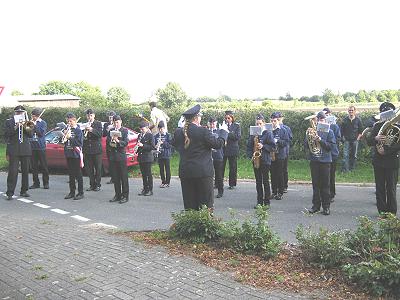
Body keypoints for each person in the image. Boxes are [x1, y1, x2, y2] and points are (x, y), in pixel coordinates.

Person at [172, 104, 228, 210]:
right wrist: (224, 132)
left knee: (190, 206)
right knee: (206, 207)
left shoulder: (178, 132)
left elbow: (176, 144)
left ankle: (191, 226)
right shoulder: (203, 131)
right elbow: (218, 144)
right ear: (197, 118)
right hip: (203, 173)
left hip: (186, 172)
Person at [366, 102, 399, 216]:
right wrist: (375, 138)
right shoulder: (377, 126)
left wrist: (387, 150)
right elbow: (369, 141)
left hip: (392, 161)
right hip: (379, 161)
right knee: (380, 188)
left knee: (391, 188)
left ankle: (392, 213)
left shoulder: (398, 126)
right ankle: (382, 212)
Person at [306, 111, 336, 216]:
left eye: (321, 120)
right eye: (318, 120)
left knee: (325, 185)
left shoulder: (330, 132)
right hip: (314, 161)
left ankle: (326, 207)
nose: (319, 121)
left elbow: (330, 147)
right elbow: (307, 146)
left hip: (325, 161)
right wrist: (310, 138)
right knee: (315, 185)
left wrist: (320, 140)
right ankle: (315, 206)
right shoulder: (312, 131)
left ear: (325, 120)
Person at [246, 114, 276, 207]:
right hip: (256, 160)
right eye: (257, 123)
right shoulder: (253, 133)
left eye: (260, 123)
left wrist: (263, 146)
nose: (258, 125)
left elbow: (273, 147)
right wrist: (251, 155)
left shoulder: (268, 133)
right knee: (258, 181)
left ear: (263, 123)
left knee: (265, 181)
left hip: (265, 160)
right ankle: (259, 202)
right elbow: (249, 146)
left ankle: (267, 202)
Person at [4, 105, 33, 200]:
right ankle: (10, 192)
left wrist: (25, 125)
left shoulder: (28, 122)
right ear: (15, 113)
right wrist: (16, 127)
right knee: (13, 171)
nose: (19, 114)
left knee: (25, 171)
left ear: (24, 113)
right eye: (18, 112)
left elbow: (30, 135)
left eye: (21, 112)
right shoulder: (9, 121)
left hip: (25, 149)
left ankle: (24, 190)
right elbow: (7, 134)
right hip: (14, 149)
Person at [107, 115, 129, 204]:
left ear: (120, 122)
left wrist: (118, 141)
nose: (116, 124)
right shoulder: (111, 131)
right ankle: (117, 195)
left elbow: (126, 143)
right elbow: (108, 143)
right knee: (115, 177)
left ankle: (125, 196)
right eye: (114, 122)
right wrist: (111, 140)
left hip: (121, 156)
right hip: (113, 156)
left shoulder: (124, 131)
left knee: (123, 177)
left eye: (117, 122)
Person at [63, 113, 84, 200]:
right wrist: (63, 136)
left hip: (75, 154)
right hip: (69, 153)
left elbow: (79, 143)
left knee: (78, 174)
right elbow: (64, 141)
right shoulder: (67, 129)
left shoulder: (78, 130)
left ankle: (80, 192)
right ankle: (72, 192)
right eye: (68, 121)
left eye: (70, 121)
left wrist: (69, 138)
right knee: (71, 174)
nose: (69, 123)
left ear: (75, 120)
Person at [270, 112, 290, 200]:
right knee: (272, 174)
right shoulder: (269, 129)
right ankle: (274, 191)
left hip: (280, 154)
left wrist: (277, 141)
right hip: (271, 154)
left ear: (278, 121)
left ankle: (280, 192)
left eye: (275, 121)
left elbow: (286, 142)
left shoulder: (283, 130)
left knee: (280, 173)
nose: (273, 122)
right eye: (272, 121)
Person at [323, 107, 341, 202]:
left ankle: (331, 194)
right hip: (324, 153)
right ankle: (324, 193)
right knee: (324, 175)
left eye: (327, 114)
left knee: (331, 175)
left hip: (333, 153)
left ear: (330, 114)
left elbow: (338, 139)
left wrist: (330, 134)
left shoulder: (335, 126)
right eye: (324, 114)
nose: (326, 116)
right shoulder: (320, 125)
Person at [83, 109, 103, 192]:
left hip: (96, 149)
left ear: (94, 115)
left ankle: (98, 184)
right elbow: (83, 137)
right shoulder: (85, 124)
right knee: (89, 168)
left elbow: (100, 135)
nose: (89, 117)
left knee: (98, 168)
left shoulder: (98, 123)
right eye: (88, 115)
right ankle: (92, 184)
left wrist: (91, 130)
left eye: (91, 115)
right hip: (88, 149)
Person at [29, 108, 50, 190]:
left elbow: (41, 133)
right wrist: (30, 125)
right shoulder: (30, 122)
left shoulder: (43, 123)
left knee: (44, 166)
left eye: (33, 116)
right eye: (32, 116)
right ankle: (36, 183)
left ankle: (46, 183)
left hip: (41, 147)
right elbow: (29, 133)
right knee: (34, 167)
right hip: (32, 147)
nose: (32, 117)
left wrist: (35, 126)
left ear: (37, 116)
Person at [340, 105, 363, 172]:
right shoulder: (345, 120)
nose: (351, 112)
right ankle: (346, 169)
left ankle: (352, 168)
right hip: (346, 140)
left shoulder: (358, 120)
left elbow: (361, 131)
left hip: (355, 140)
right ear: (348, 111)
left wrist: (358, 139)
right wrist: (343, 138)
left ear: (355, 111)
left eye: (352, 110)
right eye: (349, 110)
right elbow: (342, 131)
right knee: (345, 155)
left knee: (354, 155)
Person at [223, 110, 241, 190]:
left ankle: (232, 184)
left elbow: (237, 137)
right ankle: (218, 183)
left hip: (232, 148)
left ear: (232, 118)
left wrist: (228, 133)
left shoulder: (236, 126)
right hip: (223, 148)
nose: (227, 119)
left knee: (233, 167)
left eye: (229, 118)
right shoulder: (223, 125)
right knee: (221, 167)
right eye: (226, 118)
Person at [137, 121, 155, 196]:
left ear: (147, 128)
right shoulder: (139, 135)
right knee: (143, 174)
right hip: (141, 157)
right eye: (140, 129)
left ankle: (150, 190)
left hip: (147, 157)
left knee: (148, 174)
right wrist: (136, 149)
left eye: (143, 129)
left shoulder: (150, 135)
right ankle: (145, 188)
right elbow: (138, 146)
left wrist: (142, 145)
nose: (141, 130)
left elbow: (152, 147)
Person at [208, 117, 224, 198]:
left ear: (216, 123)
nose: (212, 125)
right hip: (209, 156)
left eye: (213, 123)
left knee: (219, 174)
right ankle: (209, 191)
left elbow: (222, 142)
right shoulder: (207, 132)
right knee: (209, 174)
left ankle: (220, 191)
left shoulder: (220, 131)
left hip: (218, 155)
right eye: (210, 123)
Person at [154, 121, 172, 188]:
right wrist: (156, 146)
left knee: (167, 169)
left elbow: (170, 145)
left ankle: (167, 182)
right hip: (160, 154)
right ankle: (163, 182)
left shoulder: (168, 135)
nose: (160, 130)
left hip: (166, 154)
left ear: (164, 128)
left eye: (161, 129)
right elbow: (154, 145)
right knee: (161, 169)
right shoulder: (156, 136)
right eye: (159, 129)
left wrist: (163, 143)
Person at [278, 113, 292, 193]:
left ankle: (284, 186)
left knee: (284, 170)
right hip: (275, 152)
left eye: (279, 118)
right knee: (277, 170)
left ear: (282, 118)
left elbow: (289, 140)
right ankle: (278, 186)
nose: (278, 119)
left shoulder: (286, 128)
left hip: (284, 151)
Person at [103, 111, 116, 184]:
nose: (110, 118)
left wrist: (113, 128)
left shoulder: (116, 124)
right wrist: (107, 130)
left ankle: (117, 177)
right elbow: (104, 135)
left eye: (112, 117)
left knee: (115, 162)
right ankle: (112, 178)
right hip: (109, 145)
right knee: (110, 162)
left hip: (115, 146)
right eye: (109, 117)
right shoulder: (106, 124)